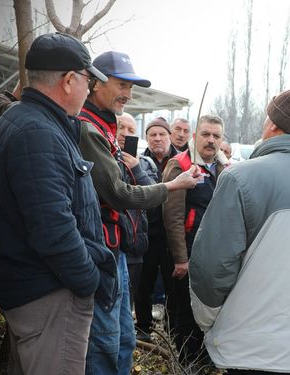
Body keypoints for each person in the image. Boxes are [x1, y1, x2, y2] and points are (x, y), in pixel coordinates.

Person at [189, 86, 290, 374]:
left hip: (247, 345)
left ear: (273, 124)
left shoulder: (239, 177)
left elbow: (211, 267)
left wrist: (209, 320)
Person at [0, 32, 116, 374]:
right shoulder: (37, 133)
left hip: (39, 289)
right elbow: (53, 231)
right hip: (50, 295)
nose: (90, 89)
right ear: (68, 80)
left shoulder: (35, 123)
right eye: (88, 80)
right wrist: (88, 281)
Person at [78, 50, 200, 375]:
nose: (128, 95)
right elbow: (118, 194)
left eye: (131, 88)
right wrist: (173, 187)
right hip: (102, 249)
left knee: (123, 338)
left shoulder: (102, 128)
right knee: (106, 341)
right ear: (94, 83)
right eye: (121, 85)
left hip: (117, 249)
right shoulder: (87, 129)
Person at [162, 114, 226, 369]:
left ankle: (205, 357)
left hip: (215, 252)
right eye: (206, 134)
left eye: (216, 136)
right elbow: (172, 216)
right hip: (188, 250)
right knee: (187, 310)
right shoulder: (180, 165)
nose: (211, 141)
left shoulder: (224, 167)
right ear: (194, 136)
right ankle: (187, 360)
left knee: (210, 306)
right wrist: (180, 258)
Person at [135, 116, 181, 342]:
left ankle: (171, 330)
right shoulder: (139, 162)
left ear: (170, 137)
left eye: (162, 134)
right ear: (146, 139)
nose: (157, 138)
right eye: (152, 135)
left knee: (173, 285)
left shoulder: (181, 161)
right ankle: (143, 328)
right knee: (145, 282)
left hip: (173, 234)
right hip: (149, 232)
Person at [116, 112, 160, 305]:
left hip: (135, 243)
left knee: (129, 300)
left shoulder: (145, 163)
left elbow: (154, 196)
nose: (125, 133)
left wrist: (135, 168)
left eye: (131, 130)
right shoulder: (102, 156)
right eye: (121, 128)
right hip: (112, 243)